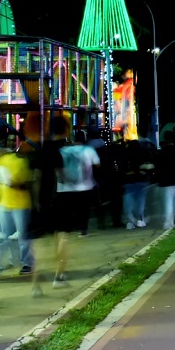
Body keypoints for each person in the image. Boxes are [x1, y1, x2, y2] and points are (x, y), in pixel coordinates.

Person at [53, 118, 100, 288]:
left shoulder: (62, 150)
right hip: (84, 188)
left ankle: (59, 269)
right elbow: (97, 165)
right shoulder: (87, 150)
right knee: (84, 211)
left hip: (63, 192)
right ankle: (83, 229)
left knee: (61, 233)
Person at [0, 135, 35, 277]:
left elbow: (29, 183)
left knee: (22, 235)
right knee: (4, 235)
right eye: (8, 141)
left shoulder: (24, 161)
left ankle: (27, 263)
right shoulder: (3, 158)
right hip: (4, 204)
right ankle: (9, 261)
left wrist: (16, 184)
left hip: (21, 204)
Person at [156, 131, 175, 230]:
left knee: (168, 201)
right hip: (174, 177)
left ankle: (168, 223)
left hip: (164, 179)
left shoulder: (161, 150)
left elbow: (157, 164)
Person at [122, 139, 153, 229]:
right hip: (140, 181)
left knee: (129, 203)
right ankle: (140, 219)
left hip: (129, 182)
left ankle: (130, 221)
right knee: (140, 202)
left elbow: (124, 170)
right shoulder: (142, 155)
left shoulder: (126, 156)